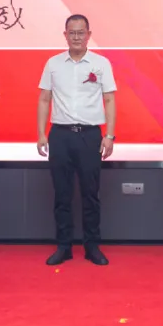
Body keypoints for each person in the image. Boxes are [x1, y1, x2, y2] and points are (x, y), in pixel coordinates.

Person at [38, 14, 116, 266]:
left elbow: (109, 100)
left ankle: (92, 246)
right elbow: (44, 99)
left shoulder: (101, 64)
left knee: (90, 194)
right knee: (62, 194)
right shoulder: (53, 63)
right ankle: (64, 246)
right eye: (72, 33)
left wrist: (109, 135)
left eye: (81, 32)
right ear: (65, 35)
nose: (76, 37)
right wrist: (41, 133)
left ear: (89, 35)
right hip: (60, 135)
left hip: (90, 136)